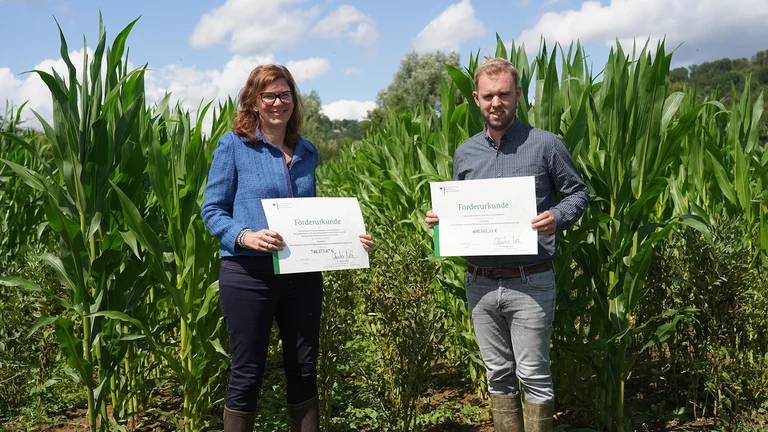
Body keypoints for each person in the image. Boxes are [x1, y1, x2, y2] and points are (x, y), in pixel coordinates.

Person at [201, 64, 373, 432]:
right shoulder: (234, 145)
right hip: (248, 275)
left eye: (284, 94)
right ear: (253, 102)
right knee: (247, 372)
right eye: (269, 95)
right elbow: (212, 210)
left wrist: (350, 240)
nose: (278, 102)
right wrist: (244, 235)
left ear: (293, 99)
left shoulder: (307, 151)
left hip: (302, 274)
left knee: (304, 368)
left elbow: (310, 217)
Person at [425, 58, 589, 432]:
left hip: (530, 279)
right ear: (476, 99)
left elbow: (578, 193)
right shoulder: (466, 153)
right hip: (479, 281)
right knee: (497, 374)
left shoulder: (545, 145)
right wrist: (441, 220)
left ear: (517, 94)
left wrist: (557, 217)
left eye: (503, 94)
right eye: (488, 96)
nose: (495, 103)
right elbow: (463, 211)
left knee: (533, 373)